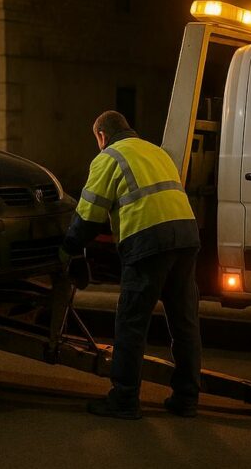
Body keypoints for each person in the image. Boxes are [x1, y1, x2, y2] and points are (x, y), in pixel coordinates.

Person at [61, 110, 202, 419]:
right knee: (184, 323)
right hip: (186, 235)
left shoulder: (109, 157)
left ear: (101, 136)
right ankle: (187, 398)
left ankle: (124, 399)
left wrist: (68, 247)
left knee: (131, 323)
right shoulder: (156, 152)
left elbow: (89, 217)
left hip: (149, 241)